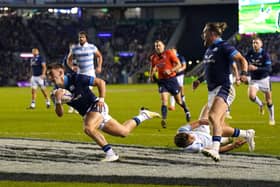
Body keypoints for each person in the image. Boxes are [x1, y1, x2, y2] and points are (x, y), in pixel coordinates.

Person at [47, 63, 161, 162]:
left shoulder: (76, 78)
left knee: (88, 128)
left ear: (61, 72)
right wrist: (57, 101)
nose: (49, 77)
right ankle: (144, 115)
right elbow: (60, 114)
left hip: (96, 106)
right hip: (88, 114)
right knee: (124, 132)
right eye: (48, 75)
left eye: (51, 74)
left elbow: (101, 82)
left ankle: (111, 154)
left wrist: (101, 99)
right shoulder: (56, 92)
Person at [192, 22, 249, 162]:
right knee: (220, 127)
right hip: (212, 91)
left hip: (224, 88)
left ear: (211, 34)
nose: (202, 36)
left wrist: (244, 73)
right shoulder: (209, 50)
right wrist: (199, 80)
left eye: (204, 33)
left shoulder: (224, 46)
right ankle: (248, 134)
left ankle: (215, 150)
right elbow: (209, 70)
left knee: (212, 117)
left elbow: (241, 59)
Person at [174, 105, 255, 154]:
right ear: (187, 145)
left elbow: (199, 122)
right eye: (191, 139)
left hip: (201, 131)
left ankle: (221, 105)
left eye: (190, 135)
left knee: (208, 107)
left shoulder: (181, 131)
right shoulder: (194, 148)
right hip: (211, 141)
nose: (192, 136)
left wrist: (212, 122)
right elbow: (216, 150)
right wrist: (233, 146)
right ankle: (245, 134)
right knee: (223, 131)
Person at [149, 40, 191, 128]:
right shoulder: (154, 57)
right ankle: (164, 119)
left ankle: (186, 110)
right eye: (156, 46)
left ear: (163, 46)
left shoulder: (169, 53)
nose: (158, 47)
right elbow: (153, 68)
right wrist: (151, 76)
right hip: (162, 82)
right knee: (164, 100)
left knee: (178, 101)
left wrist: (171, 70)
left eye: (159, 45)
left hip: (172, 80)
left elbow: (179, 65)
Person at [245, 37, 275, 125]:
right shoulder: (250, 53)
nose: (254, 44)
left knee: (269, 100)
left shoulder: (265, 54)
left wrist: (256, 68)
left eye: (256, 43)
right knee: (251, 96)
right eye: (253, 43)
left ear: (261, 44)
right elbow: (244, 61)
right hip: (254, 79)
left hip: (264, 79)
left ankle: (271, 118)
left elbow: (269, 68)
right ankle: (261, 104)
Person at [168, 47, 188, 111]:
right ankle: (172, 105)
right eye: (171, 51)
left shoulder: (180, 57)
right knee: (172, 90)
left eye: (173, 50)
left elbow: (184, 66)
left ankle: (183, 102)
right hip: (172, 75)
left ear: (176, 51)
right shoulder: (170, 58)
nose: (172, 52)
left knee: (181, 88)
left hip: (180, 75)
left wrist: (179, 70)